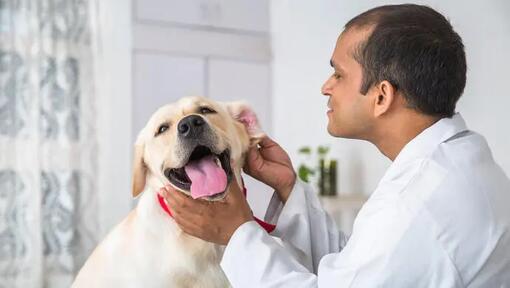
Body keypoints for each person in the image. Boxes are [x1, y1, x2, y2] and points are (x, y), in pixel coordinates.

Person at [162, 4, 510, 287]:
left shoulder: (419, 206)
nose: (326, 87)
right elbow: (360, 270)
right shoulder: (456, 161)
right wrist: (288, 189)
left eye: (339, 74)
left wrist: (236, 233)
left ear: (382, 96)